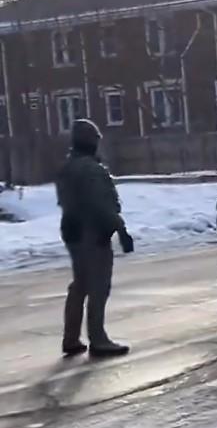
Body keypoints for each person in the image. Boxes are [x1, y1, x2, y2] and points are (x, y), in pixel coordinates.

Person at [56, 119, 135, 358]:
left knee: (80, 284)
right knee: (98, 286)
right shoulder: (91, 169)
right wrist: (120, 229)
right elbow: (101, 205)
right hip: (92, 231)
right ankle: (98, 339)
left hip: (72, 229)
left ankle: (71, 338)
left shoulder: (67, 167)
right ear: (91, 141)